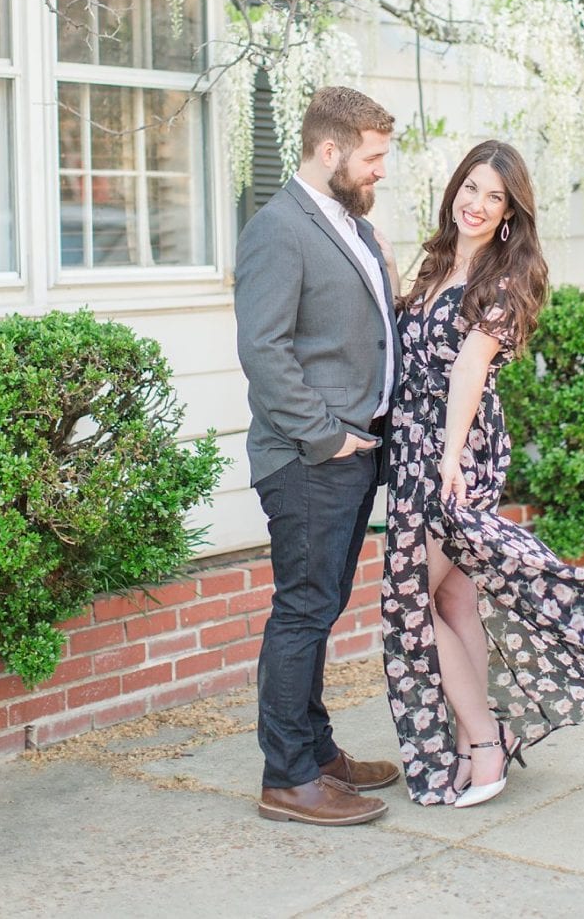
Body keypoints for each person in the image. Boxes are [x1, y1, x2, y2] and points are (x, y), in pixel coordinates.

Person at [382, 140, 584, 808]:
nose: (476, 204)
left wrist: (448, 457)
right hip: (414, 449)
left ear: (511, 214)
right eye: (470, 187)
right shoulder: (436, 263)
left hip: (452, 455)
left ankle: (485, 744)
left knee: (407, 604)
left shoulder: (503, 279)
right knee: (454, 599)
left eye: (494, 197)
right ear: (454, 190)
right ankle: (474, 744)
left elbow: (467, 370)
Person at [234, 85, 403, 827]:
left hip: (353, 451)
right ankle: (289, 776)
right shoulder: (278, 228)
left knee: (321, 607)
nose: (380, 172)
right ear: (328, 151)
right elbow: (263, 350)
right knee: (303, 610)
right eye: (371, 158)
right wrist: (325, 436)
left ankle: (318, 750)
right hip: (309, 458)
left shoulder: (354, 227)